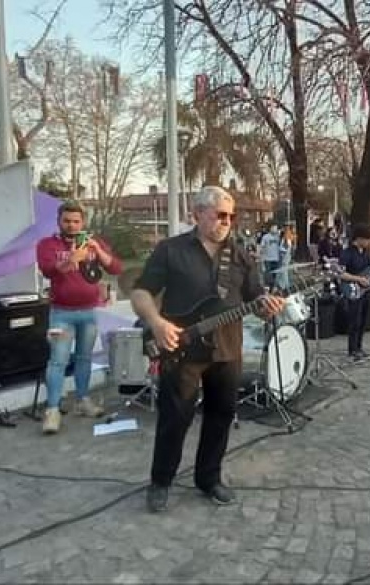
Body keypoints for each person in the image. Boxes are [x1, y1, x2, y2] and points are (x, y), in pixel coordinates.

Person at [130, 186, 285, 513]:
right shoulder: (170, 250)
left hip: (227, 350)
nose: (226, 221)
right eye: (219, 215)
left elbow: (256, 299)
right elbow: (141, 292)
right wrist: (157, 323)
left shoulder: (241, 255)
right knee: (175, 417)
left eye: (231, 215)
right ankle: (161, 481)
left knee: (221, 416)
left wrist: (267, 306)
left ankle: (208, 478)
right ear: (198, 214)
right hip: (182, 349)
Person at [35, 200, 123, 434]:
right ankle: (52, 410)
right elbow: (47, 270)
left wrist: (98, 251)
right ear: (59, 221)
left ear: (83, 222)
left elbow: (116, 268)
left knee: (84, 358)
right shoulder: (47, 244)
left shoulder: (93, 243)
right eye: (67, 221)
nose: (72, 226)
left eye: (76, 221)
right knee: (58, 360)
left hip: (89, 312)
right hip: (61, 313)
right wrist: (71, 259)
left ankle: (83, 400)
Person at [338, 225, 370, 363]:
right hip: (353, 289)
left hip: (365, 291)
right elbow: (341, 273)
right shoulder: (347, 253)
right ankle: (352, 350)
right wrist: (358, 279)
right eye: (366, 240)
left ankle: (359, 348)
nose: (368, 243)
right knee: (355, 321)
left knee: (363, 321)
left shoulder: (365, 253)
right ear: (359, 239)